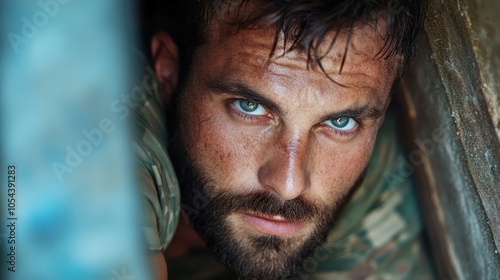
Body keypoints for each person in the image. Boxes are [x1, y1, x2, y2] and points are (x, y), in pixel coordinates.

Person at [138, 0, 435, 279]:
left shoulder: (374, 185)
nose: (289, 185)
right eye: (249, 106)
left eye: (339, 122)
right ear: (168, 70)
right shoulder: (115, 144)